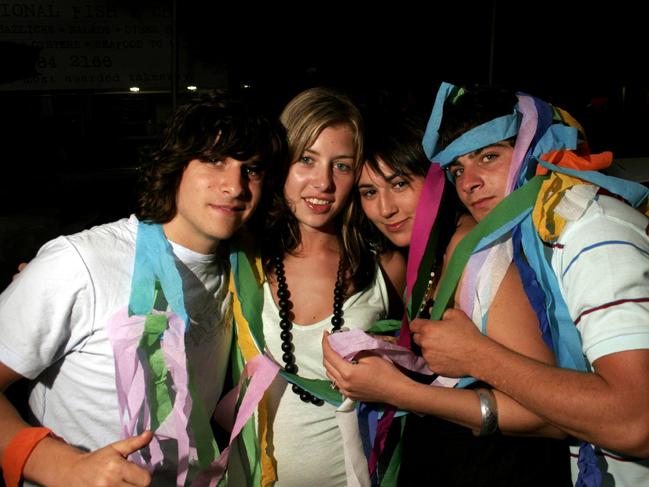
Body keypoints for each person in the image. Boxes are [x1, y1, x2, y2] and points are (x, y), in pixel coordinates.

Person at [0, 91, 287, 487]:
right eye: (215, 160)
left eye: (251, 169)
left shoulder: (244, 273)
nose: (235, 186)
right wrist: (60, 465)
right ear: (175, 165)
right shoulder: (81, 262)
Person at [409, 82, 649, 486]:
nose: (468, 182)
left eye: (488, 157)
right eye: (456, 169)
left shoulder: (591, 232)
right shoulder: (542, 231)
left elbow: (637, 420)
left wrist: (476, 356)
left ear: (534, 149)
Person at [323, 114, 572, 485]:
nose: (386, 208)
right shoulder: (425, 252)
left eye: (400, 183)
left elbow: (550, 417)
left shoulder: (480, 255)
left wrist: (398, 391)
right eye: (369, 192)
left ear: (436, 179)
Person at [227, 87, 405, 486]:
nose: (323, 182)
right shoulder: (244, 263)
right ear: (281, 164)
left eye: (341, 165)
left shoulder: (386, 267)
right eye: (307, 159)